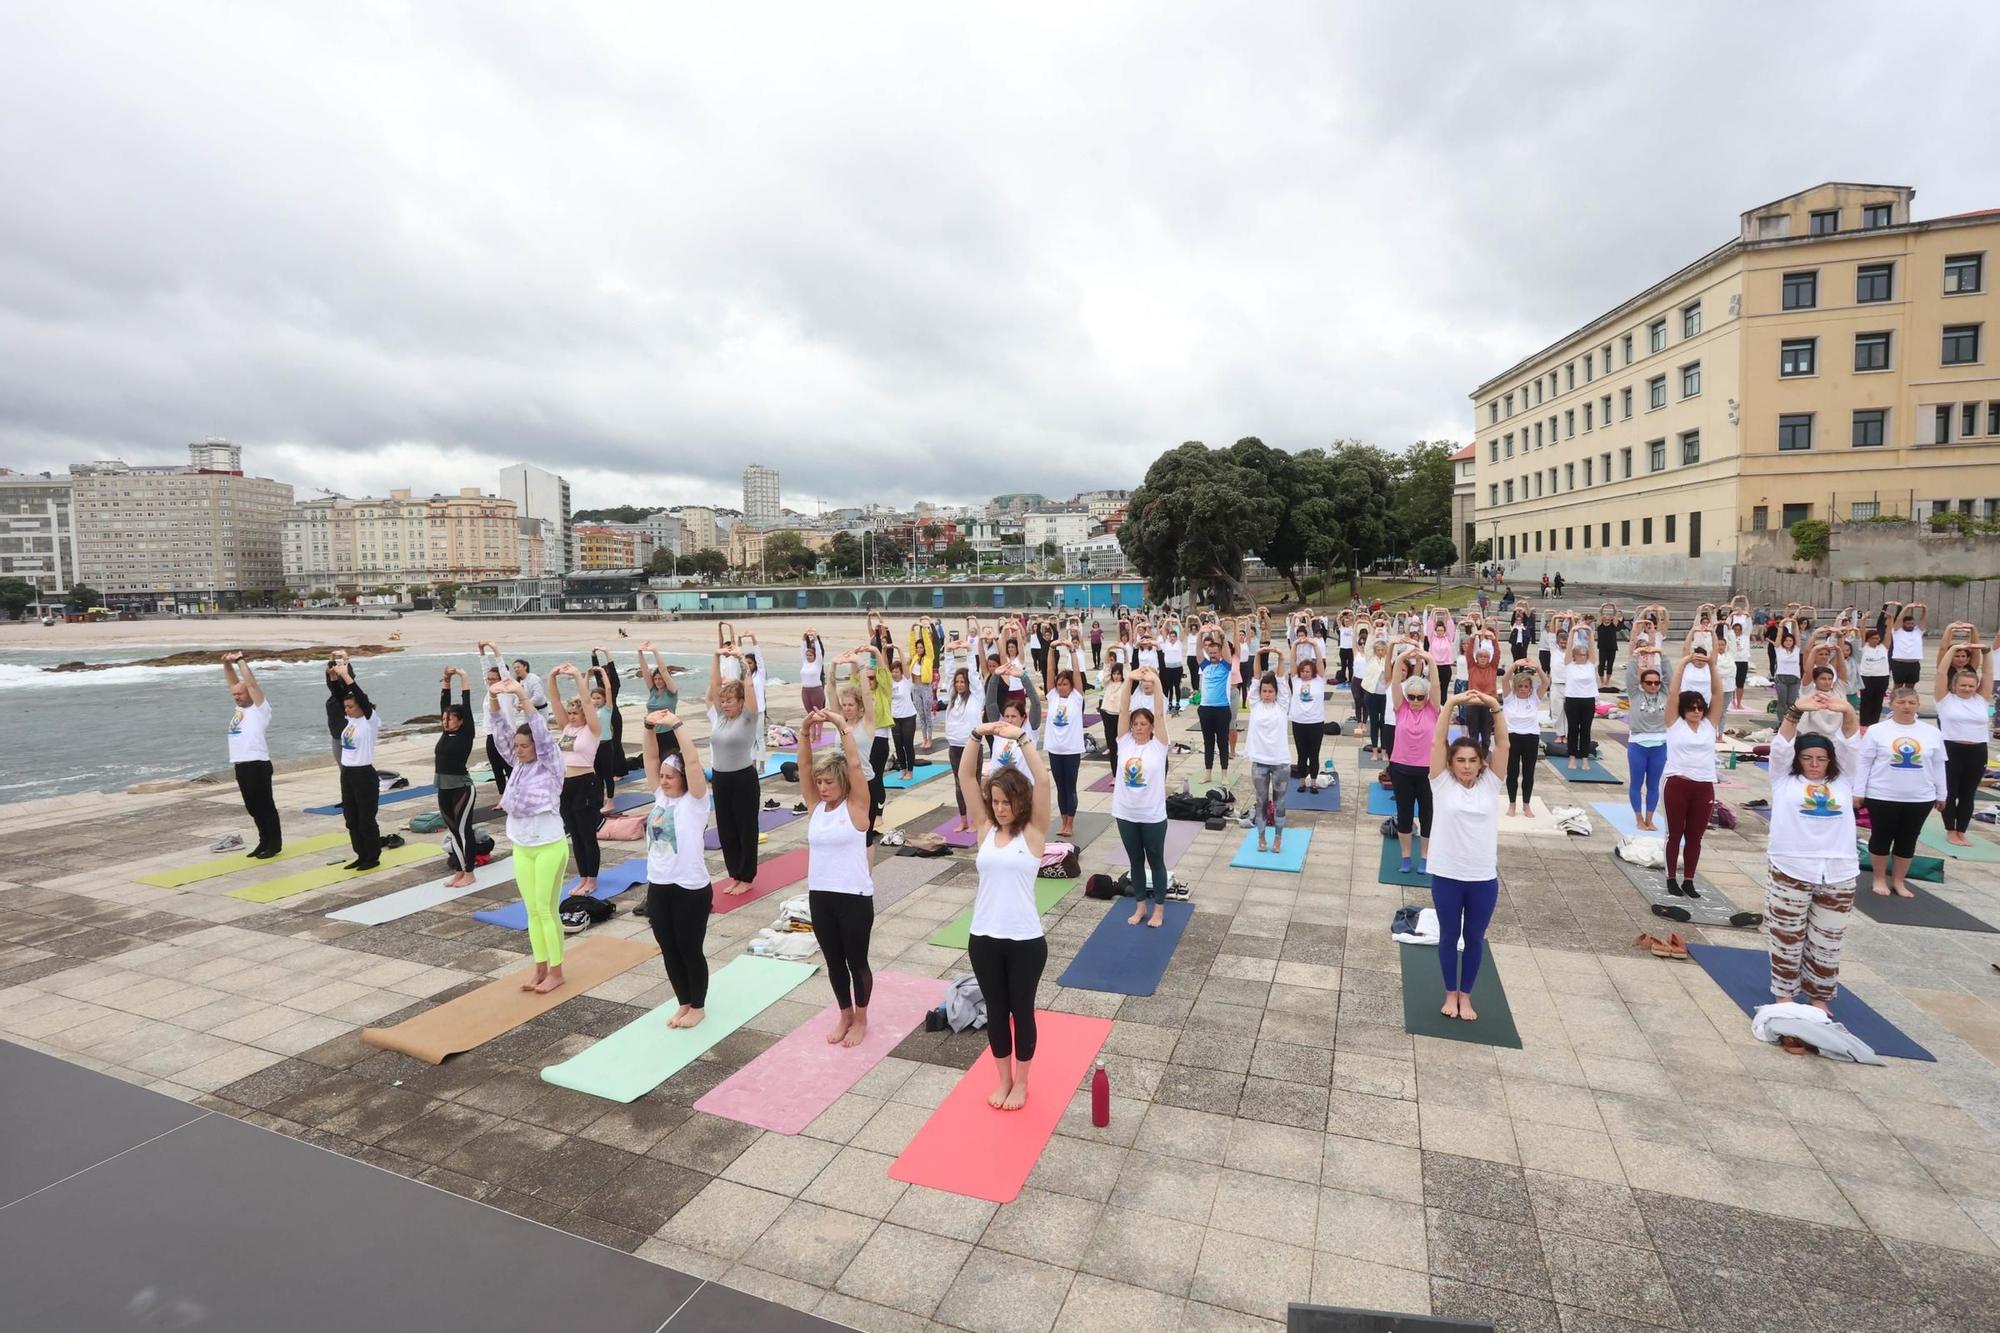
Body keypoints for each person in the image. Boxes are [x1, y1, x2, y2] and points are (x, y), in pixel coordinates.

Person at [955, 715, 1055, 1110]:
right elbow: (965, 778)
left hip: (1026, 940)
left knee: (1021, 1011)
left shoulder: (1033, 832)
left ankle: (1023, 1083)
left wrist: (1023, 739)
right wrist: (976, 735)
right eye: (994, 802)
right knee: (996, 1012)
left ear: (1020, 801)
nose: (999, 808)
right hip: (984, 937)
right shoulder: (984, 828)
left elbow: (1043, 781)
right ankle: (1003, 1078)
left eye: (1005, 802)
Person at [1765, 690, 1862, 1011]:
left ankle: (1820, 996)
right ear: (1798, 760)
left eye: (1821, 759)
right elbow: (1781, 746)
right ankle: (1784, 993)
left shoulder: (1844, 780)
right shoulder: (1783, 779)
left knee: (1828, 941)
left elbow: (1850, 742)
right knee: (1786, 937)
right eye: (1808, 758)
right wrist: (1795, 712)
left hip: (1839, 871)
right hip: (1791, 867)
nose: (1815, 764)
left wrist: (1846, 709)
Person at [1427, 688, 1509, 1021]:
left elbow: (1503, 745)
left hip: (1482, 878)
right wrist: (1450, 704)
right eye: (1460, 760)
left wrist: (1494, 706)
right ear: (1451, 763)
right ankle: (1449, 993)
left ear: (1481, 764)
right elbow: (1437, 743)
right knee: (1449, 936)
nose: (1466, 766)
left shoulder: (1491, 783)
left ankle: (1466, 996)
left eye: (1472, 760)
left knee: (1474, 937)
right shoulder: (1441, 783)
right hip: (1447, 874)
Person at [799, 705, 877, 1046]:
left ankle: (861, 1018)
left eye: (828, 781)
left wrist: (842, 726)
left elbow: (857, 764)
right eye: (819, 781)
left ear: (842, 782)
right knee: (832, 960)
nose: (822, 785)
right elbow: (803, 766)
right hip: (821, 895)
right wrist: (804, 732)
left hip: (854, 896)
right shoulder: (817, 809)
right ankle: (844, 1013)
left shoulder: (857, 808)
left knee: (856, 960)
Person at [495, 677, 570, 994]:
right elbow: (499, 732)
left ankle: (556, 970)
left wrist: (522, 697)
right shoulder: (518, 765)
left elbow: (539, 728)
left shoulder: (551, 764)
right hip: (522, 846)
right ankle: (540, 966)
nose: (520, 750)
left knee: (544, 908)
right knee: (531, 910)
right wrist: (492, 697)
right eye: (518, 746)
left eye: (526, 746)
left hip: (550, 846)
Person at [640, 708, 713, 1029]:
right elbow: (651, 759)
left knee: (689, 948)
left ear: (684, 778)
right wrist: (648, 727)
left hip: (691, 887)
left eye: (671, 777)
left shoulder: (695, 800)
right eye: (663, 777)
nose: (664, 781)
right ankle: (683, 1002)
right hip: (659, 884)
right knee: (669, 948)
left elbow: (694, 761)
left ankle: (698, 1006)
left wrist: (678, 726)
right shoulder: (661, 796)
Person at [1858, 686, 1946, 898]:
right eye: (1901, 702)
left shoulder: (1932, 733)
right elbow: (1864, 762)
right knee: (1881, 836)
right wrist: (1858, 790)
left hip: (1920, 796)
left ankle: (1899, 880)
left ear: (1918, 705)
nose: (1906, 707)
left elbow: (1938, 765)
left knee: (1908, 838)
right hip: (1883, 794)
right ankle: (1879, 878)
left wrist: (1942, 793)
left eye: (1911, 703)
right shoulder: (1877, 731)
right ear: (1891, 705)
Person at [708, 644, 763, 889]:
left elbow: (749, 687)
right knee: (726, 830)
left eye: (730, 701)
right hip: (720, 779)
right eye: (724, 701)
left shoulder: (748, 718)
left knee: (745, 828)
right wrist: (716, 656)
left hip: (743, 779)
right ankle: (735, 875)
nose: (726, 704)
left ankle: (747, 877)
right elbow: (714, 687)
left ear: (741, 702)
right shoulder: (720, 717)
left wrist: (742, 660)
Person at [1660, 662, 1718, 897]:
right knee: (1674, 833)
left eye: (1700, 707)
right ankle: (1671, 877)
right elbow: (1673, 693)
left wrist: (1712, 665)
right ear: (1683, 709)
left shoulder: (1709, 725)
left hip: (1704, 785)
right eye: (1692, 707)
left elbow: (1716, 693)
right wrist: (1683, 663)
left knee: (1695, 835)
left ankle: (1689, 880)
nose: (1696, 711)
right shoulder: (1675, 724)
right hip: (1677, 783)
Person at [1934, 626, 1995, 846]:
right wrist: (1955, 648)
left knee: (1968, 793)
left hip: (1977, 750)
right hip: (1951, 749)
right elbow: (1941, 672)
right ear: (1955, 685)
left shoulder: (1980, 700)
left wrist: (1987, 652)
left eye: (1971, 685)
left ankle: (1962, 830)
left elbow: (1988, 674)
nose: (1968, 689)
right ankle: (1950, 830)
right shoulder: (1945, 699)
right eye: (1963, 685)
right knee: (1950, 792)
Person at [1113, 694, 1171, 926]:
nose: (1138, 728)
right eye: (1135, 724)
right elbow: (1123, 708)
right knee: (1135, 860)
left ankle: (1159, 909)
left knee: (1155, 859)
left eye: (1143, 724)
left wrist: (1155, 682)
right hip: (1126, 813)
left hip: (1152, 815)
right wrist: (1129, 680)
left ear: (1151, 727)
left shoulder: (1158, 746)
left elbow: (1159, 712)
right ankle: (1139, 907)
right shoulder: (1124, 743)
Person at [220, 652, 282, 858]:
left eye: (240, 694)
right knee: (253, 807)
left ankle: (274, 844)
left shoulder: (259, 709)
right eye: (234, 695)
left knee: (265, 806)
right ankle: (263, 841)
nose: (236, 696)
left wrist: (240, 661)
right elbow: (233, 683)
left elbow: (251, 684)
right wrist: (227, 665)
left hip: (258, 764)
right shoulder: (240, 709)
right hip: (241, 764)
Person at [550, 664, 603, 897]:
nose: (571, 716)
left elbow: (588, 702)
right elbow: (554, 701)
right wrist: (552, 677)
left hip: (585, 784)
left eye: (575, 713)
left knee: (587, 834)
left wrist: (578, 678)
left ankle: (592, 879)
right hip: (565, 785)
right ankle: (582, 877)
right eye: (569, 713)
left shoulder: (592, 729)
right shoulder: (567, 728)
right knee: (574, 833)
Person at [1390, 651, 1444, 873]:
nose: (1414, 701)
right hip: (1401, 768)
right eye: (1411, 696)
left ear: (1426, 698)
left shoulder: (1433, 710)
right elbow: (1394, 682)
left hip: (1427, 770)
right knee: (1404, 813)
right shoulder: (1401, 708)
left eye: (1419, 697)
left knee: (1427, 814)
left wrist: (1429, 660)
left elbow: (1437, 685)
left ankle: (1424, 856)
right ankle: (1405, 856)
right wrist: (1402, 656)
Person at [331, 660, 381, 870]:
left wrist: (347, 677)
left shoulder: (370, 721)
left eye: (351, 707)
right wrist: (334, 678)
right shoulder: (350, 721)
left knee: (366, 819)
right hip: (348, 774)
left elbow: (359, 696)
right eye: (346, 708)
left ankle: (372, 856)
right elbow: (338, 696)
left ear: (362, 707)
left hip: (364, 775)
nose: (348, 710)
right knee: (351, 818)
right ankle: (360, 855)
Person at [435, 666, 478, 888]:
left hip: (462, 788)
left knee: (463, 830)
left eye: (450, 719)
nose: (446, 721)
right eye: (444, 719)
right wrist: (446, 680)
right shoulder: (445, 733)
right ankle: (460, 871)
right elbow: (444, 704)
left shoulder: (466, 733)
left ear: (460, 721)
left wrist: (463, 677)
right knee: (453, 831)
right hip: (443, 786)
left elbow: (466, 705)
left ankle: (469, 872)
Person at [1244, 661, 1293, 854]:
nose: (1266, 694)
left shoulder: (1282, 706)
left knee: (1280, 802)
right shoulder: (1254, 704)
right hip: (1259, 762)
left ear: (1276, 693)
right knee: (1261, 802)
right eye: (1264, 691)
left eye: (1270, 691)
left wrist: (1280, 655)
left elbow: (1281, 681)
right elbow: (1255, 679)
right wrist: (1259, 655)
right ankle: (1262, 836)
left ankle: (1278, 837)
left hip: (1280, 763)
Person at [1041, 665, 1088, 840]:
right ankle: (1063, 821)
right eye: (1059, 684)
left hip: (1071, 750)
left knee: (1070, 786)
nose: (1061, 687)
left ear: (1071, 686)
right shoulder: (1053, 697)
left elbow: (1077, 673)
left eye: (1065, 684)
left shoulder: (1076, 698)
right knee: (1060, 787)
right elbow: (1049, 672)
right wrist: (1051, 648)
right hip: (1055, 749)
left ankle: (1070, 823)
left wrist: (1072, 651)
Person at [1624, 654, 1668, 831]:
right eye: (1649, 683)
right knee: (1636, 783)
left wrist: (1661, 653)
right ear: (1642, 684)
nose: (1653, 686)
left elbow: (1670, 676)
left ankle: (1650, 819)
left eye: (1656, 683)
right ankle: (1639, 818)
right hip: (1638, 744)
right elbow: (1630, 674)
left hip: (1659, 745)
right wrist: (1635, 654)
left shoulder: (1664, 694)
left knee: (1653, 785)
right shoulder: (1635, 694)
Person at [1501, 660, 1545, 817]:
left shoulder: (1535, 698)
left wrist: (1537, 668)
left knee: (1528, 772)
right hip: (1512, 737)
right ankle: (1512, 804)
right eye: (1520, 686)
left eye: (1526, 686)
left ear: (1530, 688)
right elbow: (1504, 679)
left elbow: (1546, 682)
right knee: (1512, 772)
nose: (1523, 689)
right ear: (1516, 687)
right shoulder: (1509, 697)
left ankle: (1526, 804)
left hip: (1531, 737)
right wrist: (1514, 665)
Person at [1195, 623, 1237, 785]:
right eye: (1210, 652)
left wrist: (1221, 634)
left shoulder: (1225, 666)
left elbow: (1226, 650)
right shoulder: (1205, 666)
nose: (1212, 654)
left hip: (1222, 709)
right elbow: (1198, 651)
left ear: (1219, 653)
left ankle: (1224, 774)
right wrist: (1201, 633)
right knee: (1208, 742)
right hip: (1205, 709)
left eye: (1215, 652)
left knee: (1222, 742)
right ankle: (1208, 773)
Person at [943, 667, 980, 833]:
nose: (959, 685)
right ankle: (963, 820)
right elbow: (948, 672)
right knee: (959, 785)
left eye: (962, 682)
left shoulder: (976, 697)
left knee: (973, 784)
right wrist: (949, 651)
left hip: (970, 746)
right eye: (957, 682)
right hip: (954, 745)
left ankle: (975, 820)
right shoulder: (952, 698)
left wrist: (970, 647)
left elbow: (973, 674)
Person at [638, 641, 684, 759]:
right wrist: (640, 652)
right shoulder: (653, 691)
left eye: (661, 679)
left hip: (668, 734)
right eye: (656, 679)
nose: (658, 681)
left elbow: (663, 670)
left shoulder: (671, 692)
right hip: (652, 734)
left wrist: (655, 651)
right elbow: (644, 670)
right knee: (654, 766)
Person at [1289, 653, 1327, 793]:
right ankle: (1302, 782)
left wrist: (1314, 645)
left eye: (1308, 671)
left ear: (1313, 672)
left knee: (1314, 754)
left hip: (1316, 722)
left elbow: (1320, 662)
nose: (1305, 674)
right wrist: (1296, 645)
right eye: (1303, 671)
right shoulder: (1296, 681)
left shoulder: (1319, 681)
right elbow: (1292, 661)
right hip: (1299, 722)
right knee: (1301, 754)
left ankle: (1314, 782)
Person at [1560, 633, 1598, 771]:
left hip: (1588, 700)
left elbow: (1593, 648)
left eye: (1585, 654)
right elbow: (1569, 647)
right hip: (1572, 700)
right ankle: (1572, 757)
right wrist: (1573, 631)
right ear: (1574, 655)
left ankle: (1585, 758)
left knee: (1586, 730)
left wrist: (1589, 631)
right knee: (1573, 729)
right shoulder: (1569, 665)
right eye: (1580, 654)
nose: (1583, 656)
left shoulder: (1591, 665)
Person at [888, 657, 919, 779]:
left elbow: (906, 667)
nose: (894, 674)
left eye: (897, 671)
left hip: (908, 717)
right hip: (895, 717)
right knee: (898, 745)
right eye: (893, 671)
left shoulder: (906, 681)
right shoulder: (890, 682)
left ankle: (910, 770)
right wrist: (884, 650)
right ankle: (903, 769)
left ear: (901, 672)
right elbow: (884, 664)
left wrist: (898, 649)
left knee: (908, 744)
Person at [1887, 601, 1928, 688]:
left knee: (1910, 687)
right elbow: (1899, 619)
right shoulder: (1897, 631)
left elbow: (1924, 620)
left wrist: (1924, 609)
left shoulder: (1918, 631)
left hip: (1914, 664)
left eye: (1912, 623)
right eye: (1908, 624)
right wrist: (1907, 607)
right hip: (1899, 664)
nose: (1911, 625)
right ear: (1903, 624)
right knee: (1898, 687)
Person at [1856, 627, 1891, 726]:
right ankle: (1864, 722)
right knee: (1866, 701)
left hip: (1882, 677)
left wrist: (1891, 621)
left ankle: (1874, 722)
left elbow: (1888, 634)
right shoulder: (1864, 648)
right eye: (1874, 638)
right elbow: (1862, 634)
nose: (1877, 640)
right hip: (1867, 677)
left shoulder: (1883, 648)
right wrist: (1864, 620)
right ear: (1868, 639)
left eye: (1878, 638)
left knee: (1878, 700)